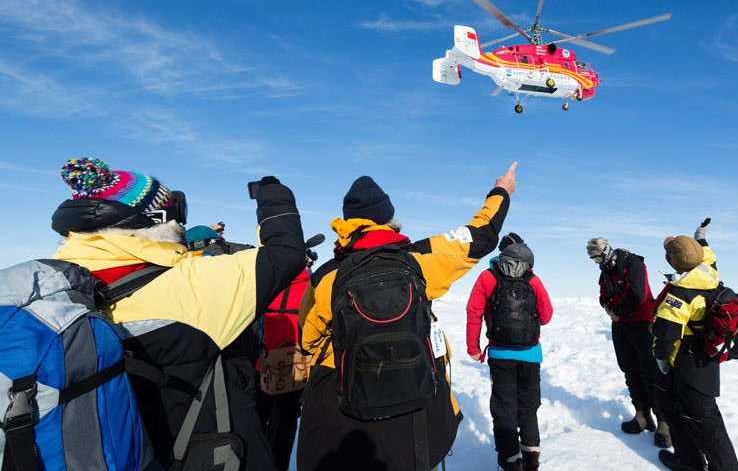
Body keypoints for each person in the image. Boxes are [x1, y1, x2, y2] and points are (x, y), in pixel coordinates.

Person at [50, 157, 306, 470]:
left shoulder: (52, 289)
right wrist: (273, 193)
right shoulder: (195, 283)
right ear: (157, 218)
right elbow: (286, 253)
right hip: (200, 453)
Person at [297, 162, 518, 471]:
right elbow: (480, 235)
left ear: (348, 224)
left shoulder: (326, 277)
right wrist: (501, 191)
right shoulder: (419, 260)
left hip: (343, 415)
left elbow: (307, 340)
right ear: (390, 220)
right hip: (416, 414)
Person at [652, 220, 738, 471]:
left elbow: (665, 338)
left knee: (705, 423)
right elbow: (706, 255)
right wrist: (699, 238)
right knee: (673, 409)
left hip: (688, 364)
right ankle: (687, 461)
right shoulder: (707, 271)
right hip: (704, 358)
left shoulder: (679, 295)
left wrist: (661, 361)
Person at [466, 233, 553, 471]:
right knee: (528, 405)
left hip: (500, 355)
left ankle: (510, 461)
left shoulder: (487, 277)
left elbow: (473, 312)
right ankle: (531, 458)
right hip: (530, 354)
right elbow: (546, 316)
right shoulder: (533, 279)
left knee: (504, 407)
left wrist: (473, 347)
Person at [586, 237, 670, 448]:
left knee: (650, 372)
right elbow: (603, 294)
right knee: (630, 370)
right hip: (621, 325)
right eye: (594, 261)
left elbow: (638, 294)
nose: (597, 264)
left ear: (606, 252)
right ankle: (642, 415)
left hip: (642, 324)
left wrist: (618, 312)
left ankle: (664, 422)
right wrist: (608, 308)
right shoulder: (605, 270)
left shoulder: (633, 263)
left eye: (597, 259)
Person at [255, 234, 324, 470]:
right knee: (283, 425)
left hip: (259, 364)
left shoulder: (263, 281)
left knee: (256, 422)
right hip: (295, 367)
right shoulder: (313, 286)